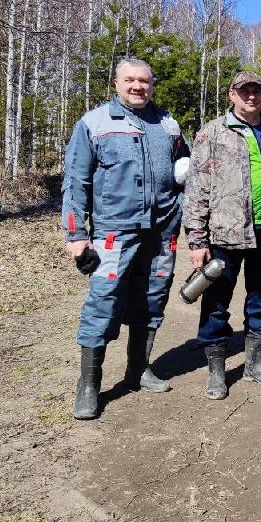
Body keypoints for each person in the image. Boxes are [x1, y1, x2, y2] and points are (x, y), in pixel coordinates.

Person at [62, 57, 190, 420]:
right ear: (116, 84)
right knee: (102, 303)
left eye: (145, 81)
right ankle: (89, 385)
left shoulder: (167, 124)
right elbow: (75, 183)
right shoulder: (94, 123)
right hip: (112, 234)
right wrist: (75, 234)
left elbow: (187, 170)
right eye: (130, 80)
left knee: (152, 300)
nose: (138, 87)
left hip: (162, 231)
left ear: (153, 85)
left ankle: (138, 369)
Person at [183, 71, 261, 400]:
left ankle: (255, 364)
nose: (251, 96)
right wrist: (196, 240)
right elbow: (196, 189)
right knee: (217, 302)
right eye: (244, 90)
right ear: (231, 95)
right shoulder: (213, 132)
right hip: (224, 232)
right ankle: (217, 372)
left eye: (257, 90)